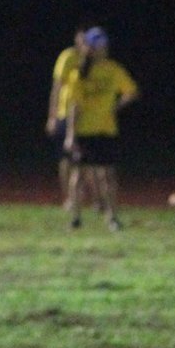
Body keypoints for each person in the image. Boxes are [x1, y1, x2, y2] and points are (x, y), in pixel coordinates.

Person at [60, 27, 138, 231]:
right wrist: (70, 134)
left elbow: (131, 91)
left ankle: (112, 217)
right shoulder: (79, 73)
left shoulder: (114, 70)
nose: (102, 50)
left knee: (107, 175)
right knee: (78, 175)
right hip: (84, 130)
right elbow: (74, 105)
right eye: (98, 46)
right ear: (90, 49)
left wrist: (114, 107)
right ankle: (76, 218)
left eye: (104, 46)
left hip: (106, 130)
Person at [45, 27, 91, 211]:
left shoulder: (95, 61)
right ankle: (70, 197)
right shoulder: (68, 57)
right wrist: (52, 116)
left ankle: (90, 197)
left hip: (87, 115)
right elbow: (57, 87)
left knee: (87, 158)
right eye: (80, 39)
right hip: (65, 113)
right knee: (65, 159)